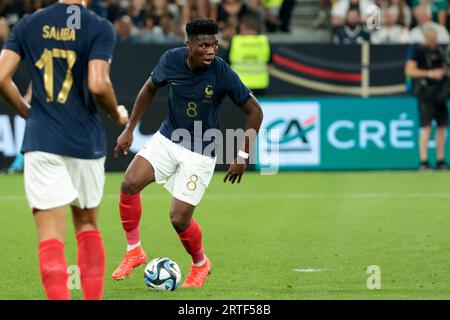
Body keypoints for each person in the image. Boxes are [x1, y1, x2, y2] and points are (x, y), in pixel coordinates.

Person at [112, 19, 263, 288]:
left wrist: (242, 155)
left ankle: (200, 264)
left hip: (201, 152)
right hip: (168, 138)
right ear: (189, 45)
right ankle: (134, 251)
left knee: (179, 219)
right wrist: (129, 128)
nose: (210, 51)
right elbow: (149, 89)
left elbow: (255, 111)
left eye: (214, 45)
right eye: (204, 45)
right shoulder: (171, 60)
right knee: (129, 183)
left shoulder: (221, 72)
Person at [0, 0, 129, 300]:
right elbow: (98, 84)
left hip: (43, 140)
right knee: (87, 225)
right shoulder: (98, 26)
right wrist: (118, 115)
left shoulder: (29, 24)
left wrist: (26, 111)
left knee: (50, 239)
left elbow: (1, 77)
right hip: (85, 140)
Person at [405, 27, 448, 170]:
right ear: (425, 38)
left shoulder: (440, 51)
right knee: (427, 127)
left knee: (442, 127)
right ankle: (423, 161)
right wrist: (430, 73)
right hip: (425, 93)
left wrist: (444, 73)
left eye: (435, 38)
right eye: (431, 38)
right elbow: (409, 70)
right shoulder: (418, 50)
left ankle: (440, 160)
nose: (434, 41)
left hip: (440, 93)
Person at [227, 13, 271, 95]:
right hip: (260, 84)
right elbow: (270, 63)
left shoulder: (236, 41)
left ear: (242, 26)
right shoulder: (264, 40)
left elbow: (226, 62)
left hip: (239, 84)